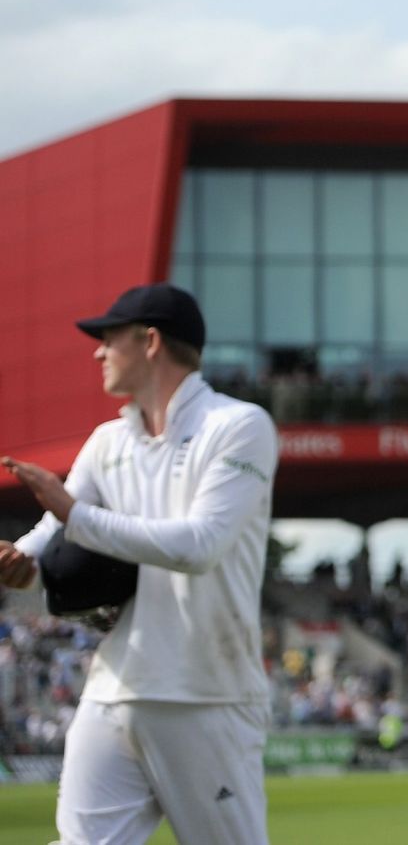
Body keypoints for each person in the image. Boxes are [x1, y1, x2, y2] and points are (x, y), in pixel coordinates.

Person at [0, 282, 278, 845]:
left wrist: (74, 516)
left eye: (108, 340)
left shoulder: (240, 427)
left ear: (149, 342)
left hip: (207, 693)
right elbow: (54, 526)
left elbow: (199, 546)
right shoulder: (107, 441)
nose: (98, 353)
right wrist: (21, 557)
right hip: (115, 688)